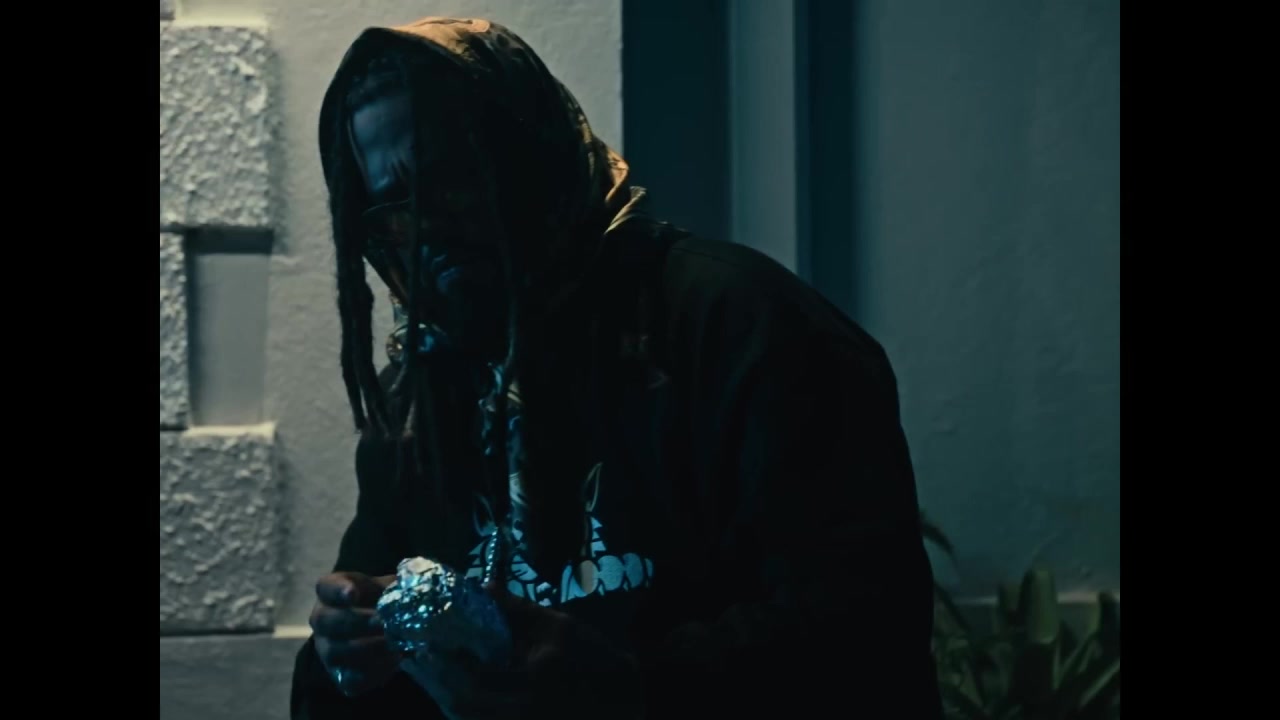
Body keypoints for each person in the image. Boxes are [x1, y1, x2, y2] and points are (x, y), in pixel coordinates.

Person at [290, 16, 942, 720]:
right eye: (394, 209)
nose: (427, 228)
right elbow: (362, 652)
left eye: (448, 177)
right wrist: (345, 649)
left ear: (531, 149)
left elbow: (865, 629)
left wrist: (629, 686)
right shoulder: (421, 396)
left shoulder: (736, 324)